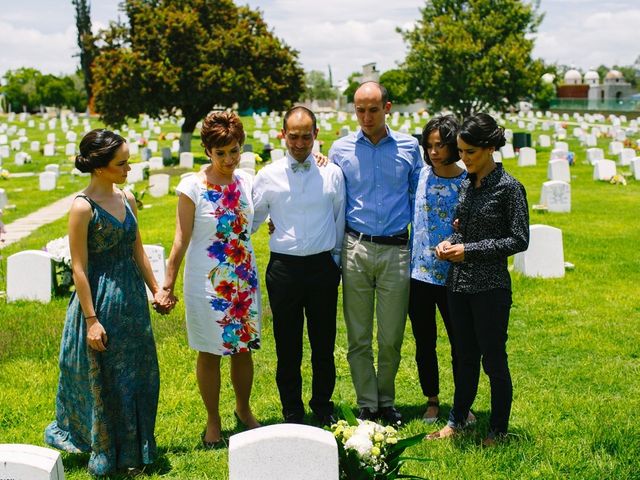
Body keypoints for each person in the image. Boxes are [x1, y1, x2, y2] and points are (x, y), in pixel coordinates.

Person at [44, 129, 164, 476]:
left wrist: (155, 289)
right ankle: (108, 449)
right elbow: (79, 267)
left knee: (139, 376)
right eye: (121, 163)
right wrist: (91, 319)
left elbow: (137, 250)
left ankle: (137, 449)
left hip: (131, 302)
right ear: (99, 168)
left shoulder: (127, 197)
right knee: (107, 380)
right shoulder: (82, 208)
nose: (128, 169)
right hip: (100, 301)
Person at [156, 111, 261, 449]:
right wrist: (166, 285)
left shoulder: (246, 181)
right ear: (207, 151)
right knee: (210, 351)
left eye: (235, 150)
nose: (229, 160)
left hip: (243, 278)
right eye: (221, 153)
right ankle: (213, 419)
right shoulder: (191, 186)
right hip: (207, 282)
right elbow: (180, 239)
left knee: (242, 348)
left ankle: (243, 409)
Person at [426, 113, 529, 446]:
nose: (463, 158)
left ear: (489, 148)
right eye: (461, 151)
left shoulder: (510, 188)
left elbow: (518, 239)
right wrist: (450, 244)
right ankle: (457, 421)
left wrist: (470, 250)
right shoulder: (468, 185)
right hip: (458, 285)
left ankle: (498, 429)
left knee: (493, 360)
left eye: (470, 152)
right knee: (464, 357)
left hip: (490, 288)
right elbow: (460, 228)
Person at [329, 82, 423, 424]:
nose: (366, 117)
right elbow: (331, 195)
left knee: (391, 336)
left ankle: (387, 400)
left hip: (397, 250)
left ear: (388, 108)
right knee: (358, 335)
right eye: (359, 110)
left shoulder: (409, 147)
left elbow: (418, 198)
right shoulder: (340, 150)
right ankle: (368, 404)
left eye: (373, 109)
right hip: (356, 246)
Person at [252, 106, 345, 426]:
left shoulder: (332, 173)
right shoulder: (267, 176)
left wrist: (336, 264)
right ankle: (291, 408)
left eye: (307, 136)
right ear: (283, 135)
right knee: (287, 344)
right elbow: (251, 221)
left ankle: (322, 405)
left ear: (316, 135)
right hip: (284, 270)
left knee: (324, 343)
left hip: (322, 267)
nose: (300, 143)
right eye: (294, 136)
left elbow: (339, 218)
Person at [409, 115, 470, 424]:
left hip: (455, 278)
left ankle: (463, 404)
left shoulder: (468, 182)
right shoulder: (418, 177)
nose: (434, 152)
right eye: (429, 145)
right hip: (418, 276)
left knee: (461, 344)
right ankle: (431, 400)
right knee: (425, 342)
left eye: (441, 146)